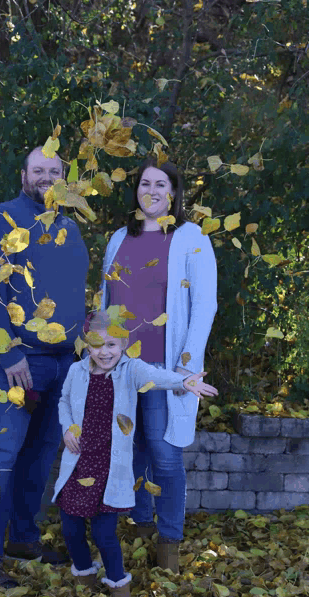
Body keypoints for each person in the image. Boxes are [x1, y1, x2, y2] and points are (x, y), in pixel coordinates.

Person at [0, 146, 89, 590]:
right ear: (23, 175)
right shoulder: (0, 221)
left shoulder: (70, 229)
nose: (45, 177)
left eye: (53, 171)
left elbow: (74, 292)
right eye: (38, 170)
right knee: (1, 455)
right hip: (17, 363)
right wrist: (8, 353)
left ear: (63, 178)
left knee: (40, 458)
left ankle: (23, 539)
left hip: (64, 364)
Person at [51, 310, 218, 597]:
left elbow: (157, 377)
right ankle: (85, 579)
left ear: (124, 345)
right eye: (98, 345)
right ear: (87, 346)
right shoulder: (76, 372)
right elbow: (63, 401)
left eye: (113, 345)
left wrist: (186, 382)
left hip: (107, 467)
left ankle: (119, 592)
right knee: (70, 528)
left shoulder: (130, 370)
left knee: (104, 533)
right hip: (78, 463)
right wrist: (67, 430)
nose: (105, 352)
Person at [100, 157, 218, 574]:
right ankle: (141, 525)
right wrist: (96, 355)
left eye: (160, 183)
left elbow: (204, 306)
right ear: (136, 191)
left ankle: (169, 542)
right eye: (144, 183)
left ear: (173, 193)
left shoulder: (191, 239)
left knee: (165, 458)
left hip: (167, 371)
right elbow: (106, 302)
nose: (151, 189)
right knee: (129, 453)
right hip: (121, 370)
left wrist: (186, 368)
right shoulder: (118, 239)